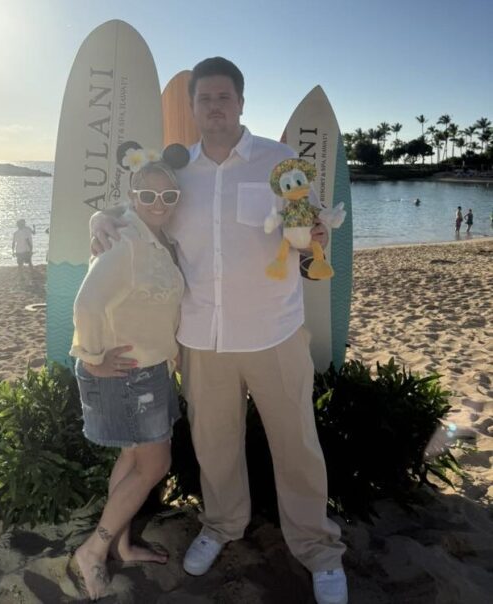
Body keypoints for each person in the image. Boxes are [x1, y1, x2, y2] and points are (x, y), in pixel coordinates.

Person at [90, 58, 347, 604]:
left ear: (241, 103)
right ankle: (222, 525)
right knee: (214, 446)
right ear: (192, 107)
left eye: (224, 97)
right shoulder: (178, 171)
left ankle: (318, 549)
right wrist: (99, 218)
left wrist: (317, 234)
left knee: (298, 447)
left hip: (275, 333)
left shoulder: (279, 161)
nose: (214, 107)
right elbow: (141, 206)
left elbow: (313, 224)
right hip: (202, 338)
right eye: (204, 98)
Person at [69, 158, 185, 600]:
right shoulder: (127, 239)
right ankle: (94, 550)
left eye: (168, 195)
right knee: (155, 465)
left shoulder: (156, 238)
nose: (159, 202)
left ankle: (120, 543)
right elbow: (87, 303)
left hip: (150, 369)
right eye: (148, 194)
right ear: (134, 196)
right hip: (131, 375)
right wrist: (92, 358)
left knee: (133, 458)